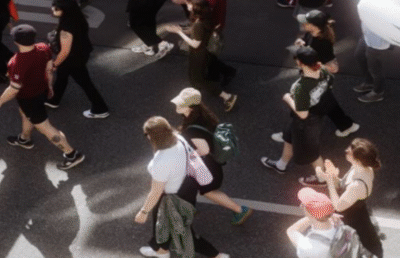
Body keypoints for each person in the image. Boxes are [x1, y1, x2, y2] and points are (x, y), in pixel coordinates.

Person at [0, 24, 86, 169]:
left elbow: (14, 88)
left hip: (29, 98)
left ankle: (72, 154)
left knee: (45, 127)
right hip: (40, 91)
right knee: (25, 113)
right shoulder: (43, 47)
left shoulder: (16, 62)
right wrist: (49, 86)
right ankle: (25, 139)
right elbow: (49, 69)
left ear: (16, 41)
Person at [135, 116, 228, 258]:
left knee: (183, 231)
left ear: (152, 136)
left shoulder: (161, 161)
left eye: (146, 134)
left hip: (172, 197)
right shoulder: (179, 138)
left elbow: (156, 191)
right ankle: (161, 251)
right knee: (163, 224)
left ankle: (216, 255)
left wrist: (143, 211)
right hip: (188, 187)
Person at [171, 87, 252, 224]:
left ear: (190, 107)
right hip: (211, 165)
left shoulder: (192, 130)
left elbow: (204, 150)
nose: (176, 105)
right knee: (191, 186)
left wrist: (186, 153)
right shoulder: (202, 115)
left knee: (205, 190)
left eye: (181, 103)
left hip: (207, 167)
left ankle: (240, 210)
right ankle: (187, 209)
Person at [295, 10, 359, 149]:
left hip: (317, 78)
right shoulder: (311, 33)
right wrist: (303, 43)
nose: (303, 23)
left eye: (306, 22)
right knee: (325, 102)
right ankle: (347, 125)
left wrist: (315, 63)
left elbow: (334, 67)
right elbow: (307, 42)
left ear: (314, 26)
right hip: (312, 76)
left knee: (311, 104)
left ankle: (292, 134)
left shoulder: (323, 42)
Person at [261, 46, 329, 177]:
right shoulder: (323, 70)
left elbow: (303, 114)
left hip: (306, 122)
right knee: (289, 137)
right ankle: (281, 165)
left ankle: (322, 179)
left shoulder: (301, 88)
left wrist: (288, 98)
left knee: (312, 154)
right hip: (316, 112)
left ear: (300, 63)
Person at [162, 0, 237, 110]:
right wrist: (181, 30)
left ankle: (227, 97)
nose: (187, 6)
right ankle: (197, 96)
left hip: (199, 54)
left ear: (195, 7)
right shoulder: (205, 18)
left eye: (188, 4)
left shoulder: (198, 24)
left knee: (199, 79)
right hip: (205, 52)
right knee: (196, 77)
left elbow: (195, 44)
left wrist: (179, 33)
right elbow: (198, 33)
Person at [315, 138, 384, 257]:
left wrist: (330, 181)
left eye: (349, 152)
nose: (346, 150)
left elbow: (338, 206)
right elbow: (343, 186)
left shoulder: (357, 185)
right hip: (358, 215)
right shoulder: (361, 168)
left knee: (354, 247)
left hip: (353, 220)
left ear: (358, 159)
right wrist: (334, 176)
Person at [45, 0, 110, 118]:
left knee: (84, 82)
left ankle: (101, 108)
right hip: (81, 52)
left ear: (65, 10)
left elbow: (65, 51)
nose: (53, 9)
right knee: (62, 77)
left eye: (56, 8)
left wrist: (54, 64)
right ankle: (54, 100)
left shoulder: (66, 28)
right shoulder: (78, 18)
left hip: (72, 59)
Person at [285, 187, 346, 258]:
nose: (301, 206)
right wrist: (324, 214)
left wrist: (315, 216)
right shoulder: (339, 223)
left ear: (310, 214)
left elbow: (291, 230)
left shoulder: (308, 246)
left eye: (303, 205)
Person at [352, 22, 391, 103]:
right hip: (366, 35)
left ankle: (378, 92)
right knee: (359, 56)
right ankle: (369, 83)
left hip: (378, 41)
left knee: (375, 69)